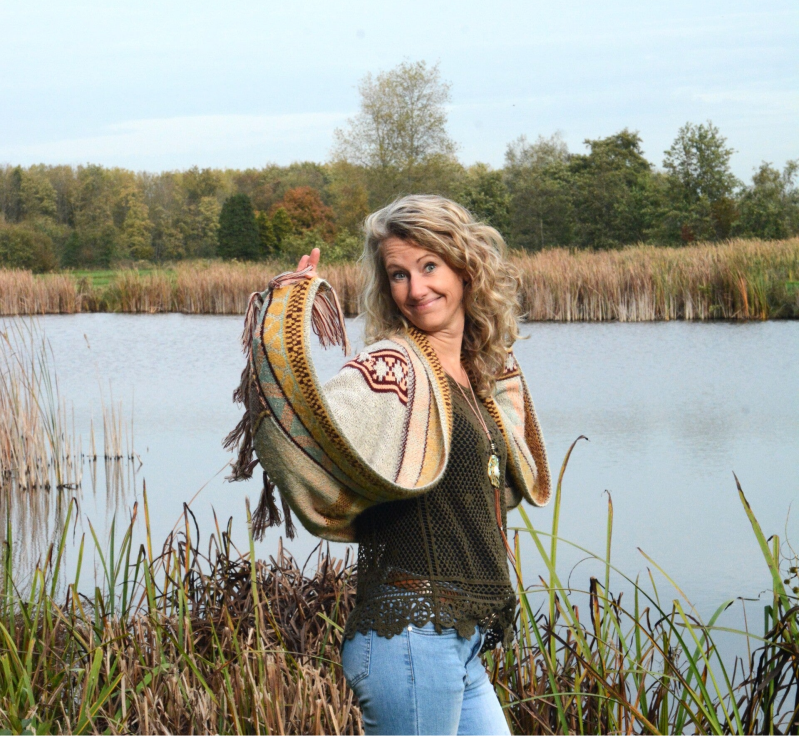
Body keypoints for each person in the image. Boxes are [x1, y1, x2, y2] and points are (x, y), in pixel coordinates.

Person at [226, 194, 551, 736]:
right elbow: (305, 427)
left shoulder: (478, 376)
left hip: (460, 637)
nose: (416, 289)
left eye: (429, 267)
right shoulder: (392, 366)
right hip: (410, 637)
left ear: (466, 268)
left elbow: (506, 484)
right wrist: (279, 323)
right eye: (399, 275)